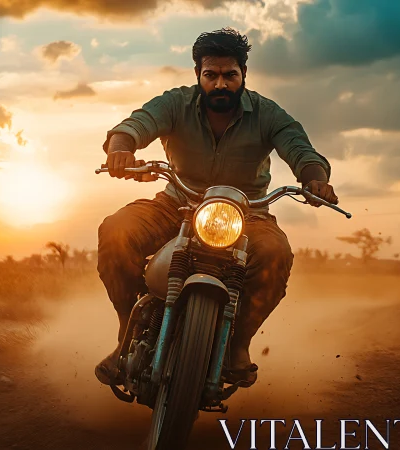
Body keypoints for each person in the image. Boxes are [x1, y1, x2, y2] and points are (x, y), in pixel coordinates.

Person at [95, 28, 339, 387]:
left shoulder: (267, 113)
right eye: (211, 75)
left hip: (249, 214)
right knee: (116, 230)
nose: (220, 84)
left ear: (243, 75)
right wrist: (121, 147)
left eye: (230, 75)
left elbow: (299, 147)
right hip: (176, 204)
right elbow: (136, 123)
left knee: (276, 253)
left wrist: (314, 177)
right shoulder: (175, 103)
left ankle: (238, 345)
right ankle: (126, 332)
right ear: (198, 75)